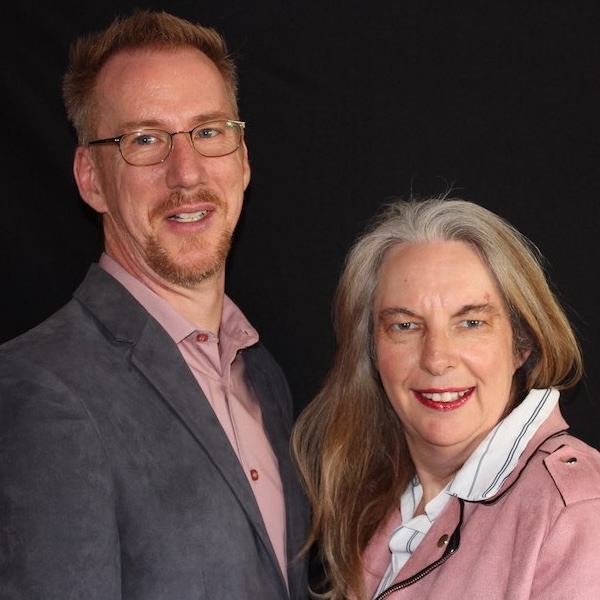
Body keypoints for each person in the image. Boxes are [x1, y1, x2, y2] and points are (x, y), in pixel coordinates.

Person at [0, 10, 308, 600]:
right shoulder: (38, 390)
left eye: (209, 132)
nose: (186, 173)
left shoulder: (262, 377)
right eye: (145, 140)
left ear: (243, 159)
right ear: (91, 177)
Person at [292, 197, 600, 600]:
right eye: (405, 326)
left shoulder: (577, 510)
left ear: (521, 344)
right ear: (371, 350)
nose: (436, 359)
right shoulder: (379, 503)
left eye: (471, 323)